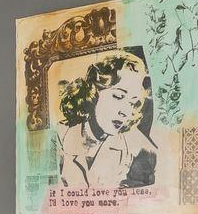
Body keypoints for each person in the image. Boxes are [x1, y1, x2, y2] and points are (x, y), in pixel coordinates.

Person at [56, 52, 159, 189]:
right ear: (94, 92)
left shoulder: (140, 152)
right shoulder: (57, 138)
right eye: (118, 96)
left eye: (131, 103)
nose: (125, 112)